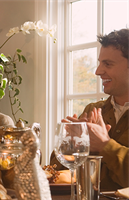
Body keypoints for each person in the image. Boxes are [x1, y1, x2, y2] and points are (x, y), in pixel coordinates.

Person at [50, 28, 129, 190]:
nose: (98, 71)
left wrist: (105, 145)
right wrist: (71, 144)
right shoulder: (93, 110)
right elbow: (56, 171)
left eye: (107, 64)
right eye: (99, 63)